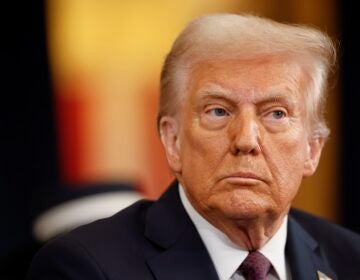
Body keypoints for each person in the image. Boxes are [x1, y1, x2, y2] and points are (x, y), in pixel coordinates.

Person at [28, 13, 360, 280]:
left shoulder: (350, 261)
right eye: (218, 111)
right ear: (172, 141)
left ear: (312, 149)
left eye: (276, 113)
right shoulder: (84, 267)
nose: (245, 140)